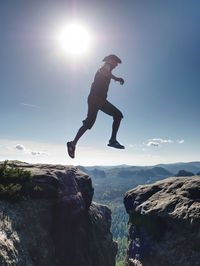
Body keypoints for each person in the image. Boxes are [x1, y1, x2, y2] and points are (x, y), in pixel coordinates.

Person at [67, 54, 125, 159]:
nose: (116, 66)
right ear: (110, 61)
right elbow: (104, 71)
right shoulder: (105, 67)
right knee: (117, 115)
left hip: (99, 100)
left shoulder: (106, 70)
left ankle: (72, 144)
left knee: (91, 122)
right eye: (115, 63)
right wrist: (116, 78)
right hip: (96, 99)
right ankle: (112, 140)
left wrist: (114, 78)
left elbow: (106, 73)